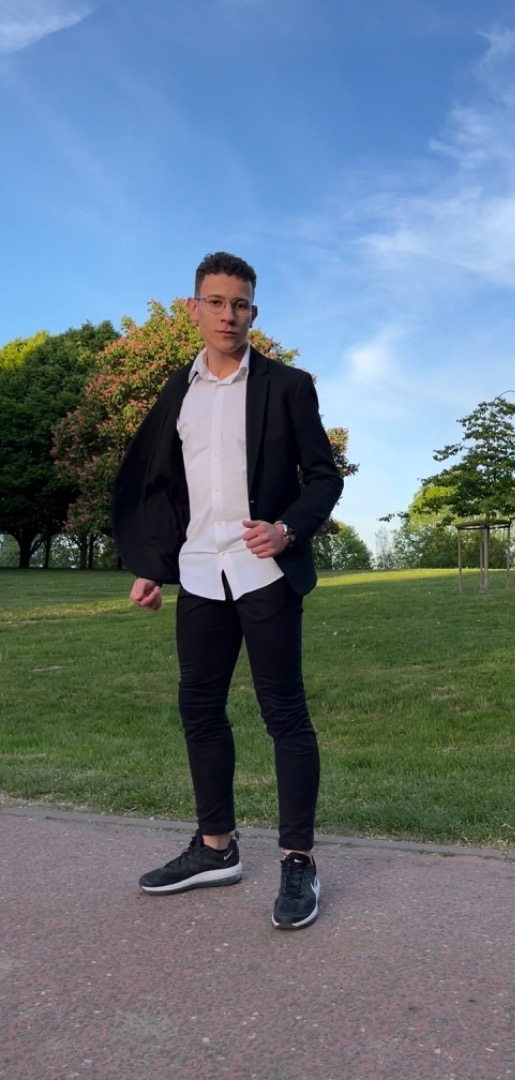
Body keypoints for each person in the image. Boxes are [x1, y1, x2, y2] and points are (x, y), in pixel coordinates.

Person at [112, 252, 343, 929]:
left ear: (254, 313)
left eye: (239, 304)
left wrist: (287, 529)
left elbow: (323, 477)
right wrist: (152, 565)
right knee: (200, 708)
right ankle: (216, 848)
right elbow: (164, 488)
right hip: (199, 574)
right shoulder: (176, 392)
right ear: (194, 309)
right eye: (215, 302)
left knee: (284, 714)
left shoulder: (288, 386)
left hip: (263, 572)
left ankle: (298, 861)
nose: (227, 315)